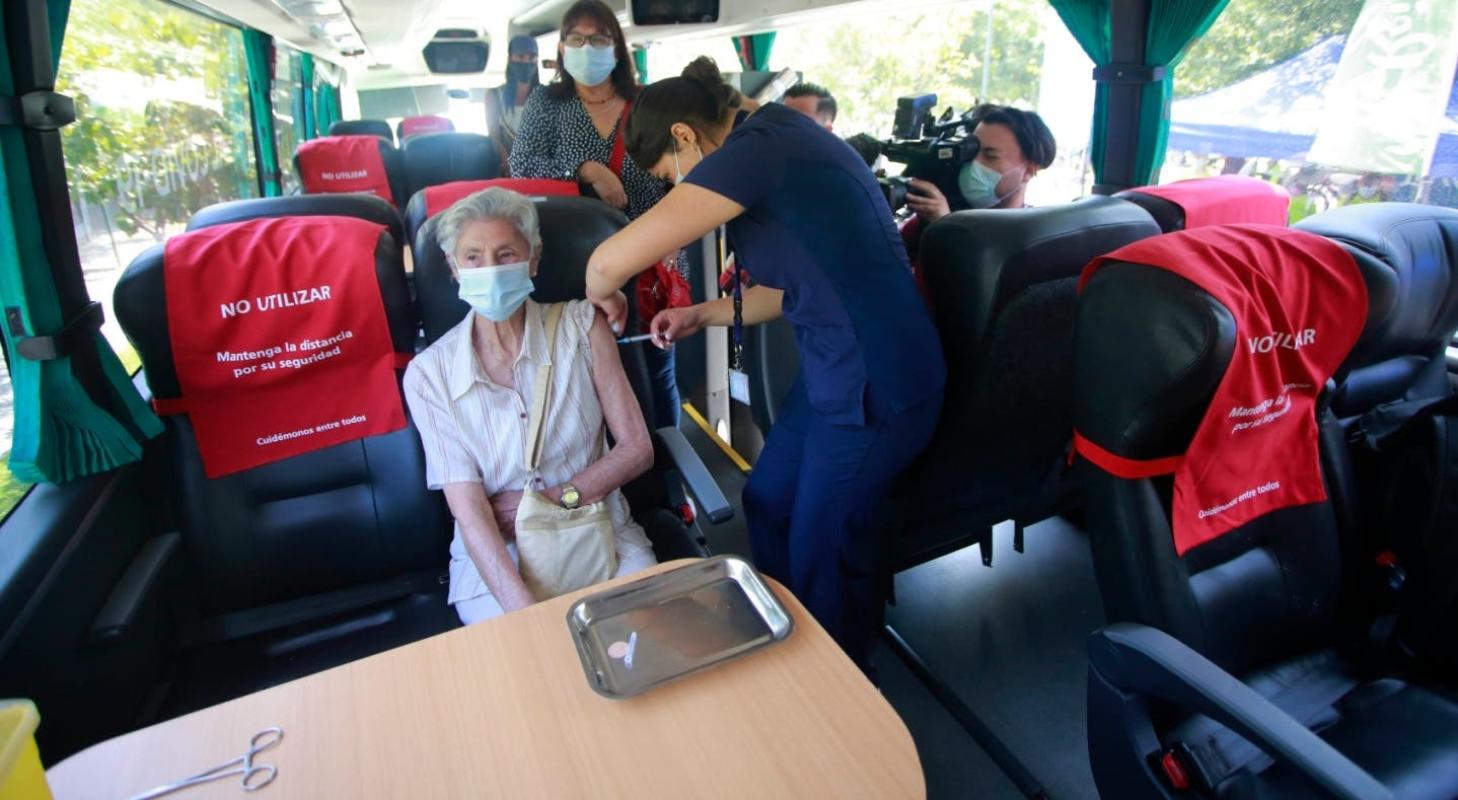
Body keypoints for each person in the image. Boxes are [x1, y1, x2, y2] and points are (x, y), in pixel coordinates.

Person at [584, 57, 946, 671]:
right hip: (836, 372)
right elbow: (794, 288)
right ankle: (790, 633)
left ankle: (835, 676)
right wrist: (701, 314)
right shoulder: (778, 138)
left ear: (683, 135)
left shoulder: (757, 151)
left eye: (671, 176)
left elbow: (607, 263)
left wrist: (603, 292)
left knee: (821, 548)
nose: (678, 190)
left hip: (877, 381)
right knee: (769, 499)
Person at [403, 188, 658, 625]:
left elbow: (638, 449)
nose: (490, 270)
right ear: (453, 267)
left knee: (640, 642)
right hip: (500, 556)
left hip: (600, 530)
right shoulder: (429, 375)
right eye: (473, 258)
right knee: (533, 659)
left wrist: (555, 499)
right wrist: (528, 618)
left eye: (506, 254)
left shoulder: (583, 326)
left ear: (533, 259)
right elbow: (470, 511)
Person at [509, 0, 687, 429]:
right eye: (577, 39)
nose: (587, 48)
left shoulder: (645, 103)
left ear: (617, 48)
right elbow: (521, 166)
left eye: (599, 39)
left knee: (656, 367)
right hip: (575, 261)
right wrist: (585, 169)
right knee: (588, 371)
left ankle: (666, 455)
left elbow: (680, 173)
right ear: (562, 48)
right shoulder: (547, 102)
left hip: (650, 252)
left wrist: (677, 237)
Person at [904, 103, 1056, 222]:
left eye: (990, 156)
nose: (974, 163)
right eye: (971, 152)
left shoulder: (1036, 236)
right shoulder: (926, 218)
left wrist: (944, 225)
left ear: (1029, 170)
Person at [486, 35, 540, 170]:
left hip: (541, 169)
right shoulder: (494, 96)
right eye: (521, 57)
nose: (527, 62)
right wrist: (505, 158)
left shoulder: (546, 95)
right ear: (510, 58)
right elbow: (494, 136)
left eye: (532, 57)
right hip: (507, 168)